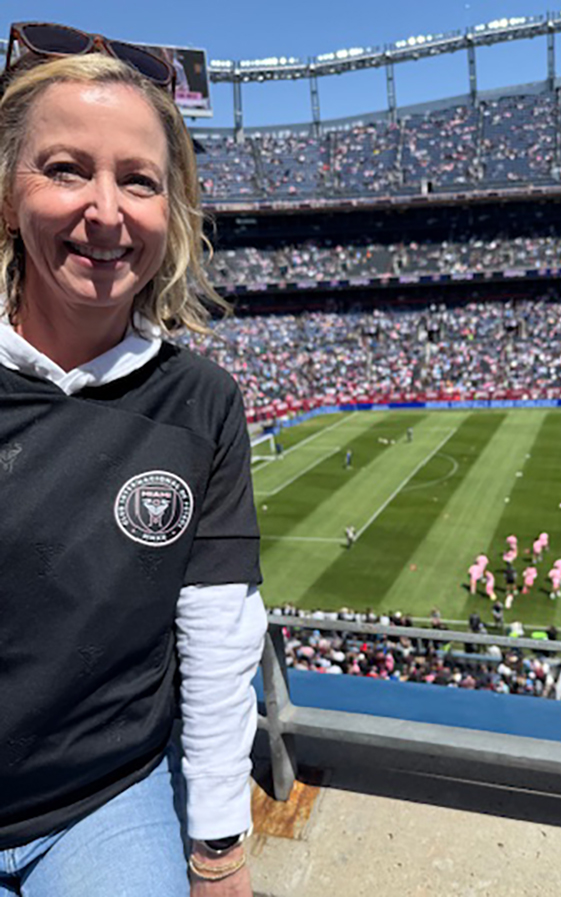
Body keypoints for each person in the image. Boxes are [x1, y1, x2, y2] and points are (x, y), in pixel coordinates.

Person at [0, 29, 266, 897]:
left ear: (173, 211)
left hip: (100, 801)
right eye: (66, 168)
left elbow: (221, 634)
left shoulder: (203, 403)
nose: (106, 212)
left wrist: (219, 850)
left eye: (139, 180)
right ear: (8, 195)